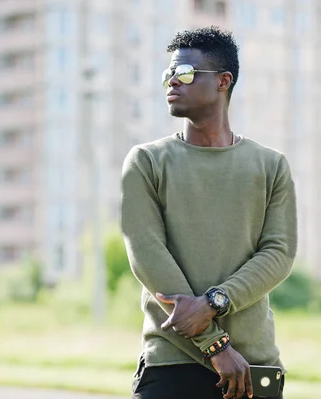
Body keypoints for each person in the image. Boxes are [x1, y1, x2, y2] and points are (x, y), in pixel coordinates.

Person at [121, 26, 297, 399]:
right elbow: (147, 254)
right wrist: (216, 346)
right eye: (168, 74)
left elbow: (279, 254)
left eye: (183, 73)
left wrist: (214, 301)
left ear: (223, 81)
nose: (172, 81)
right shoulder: (147, 162)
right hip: (172, 364)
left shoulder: (270, 166)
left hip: (253, 364)